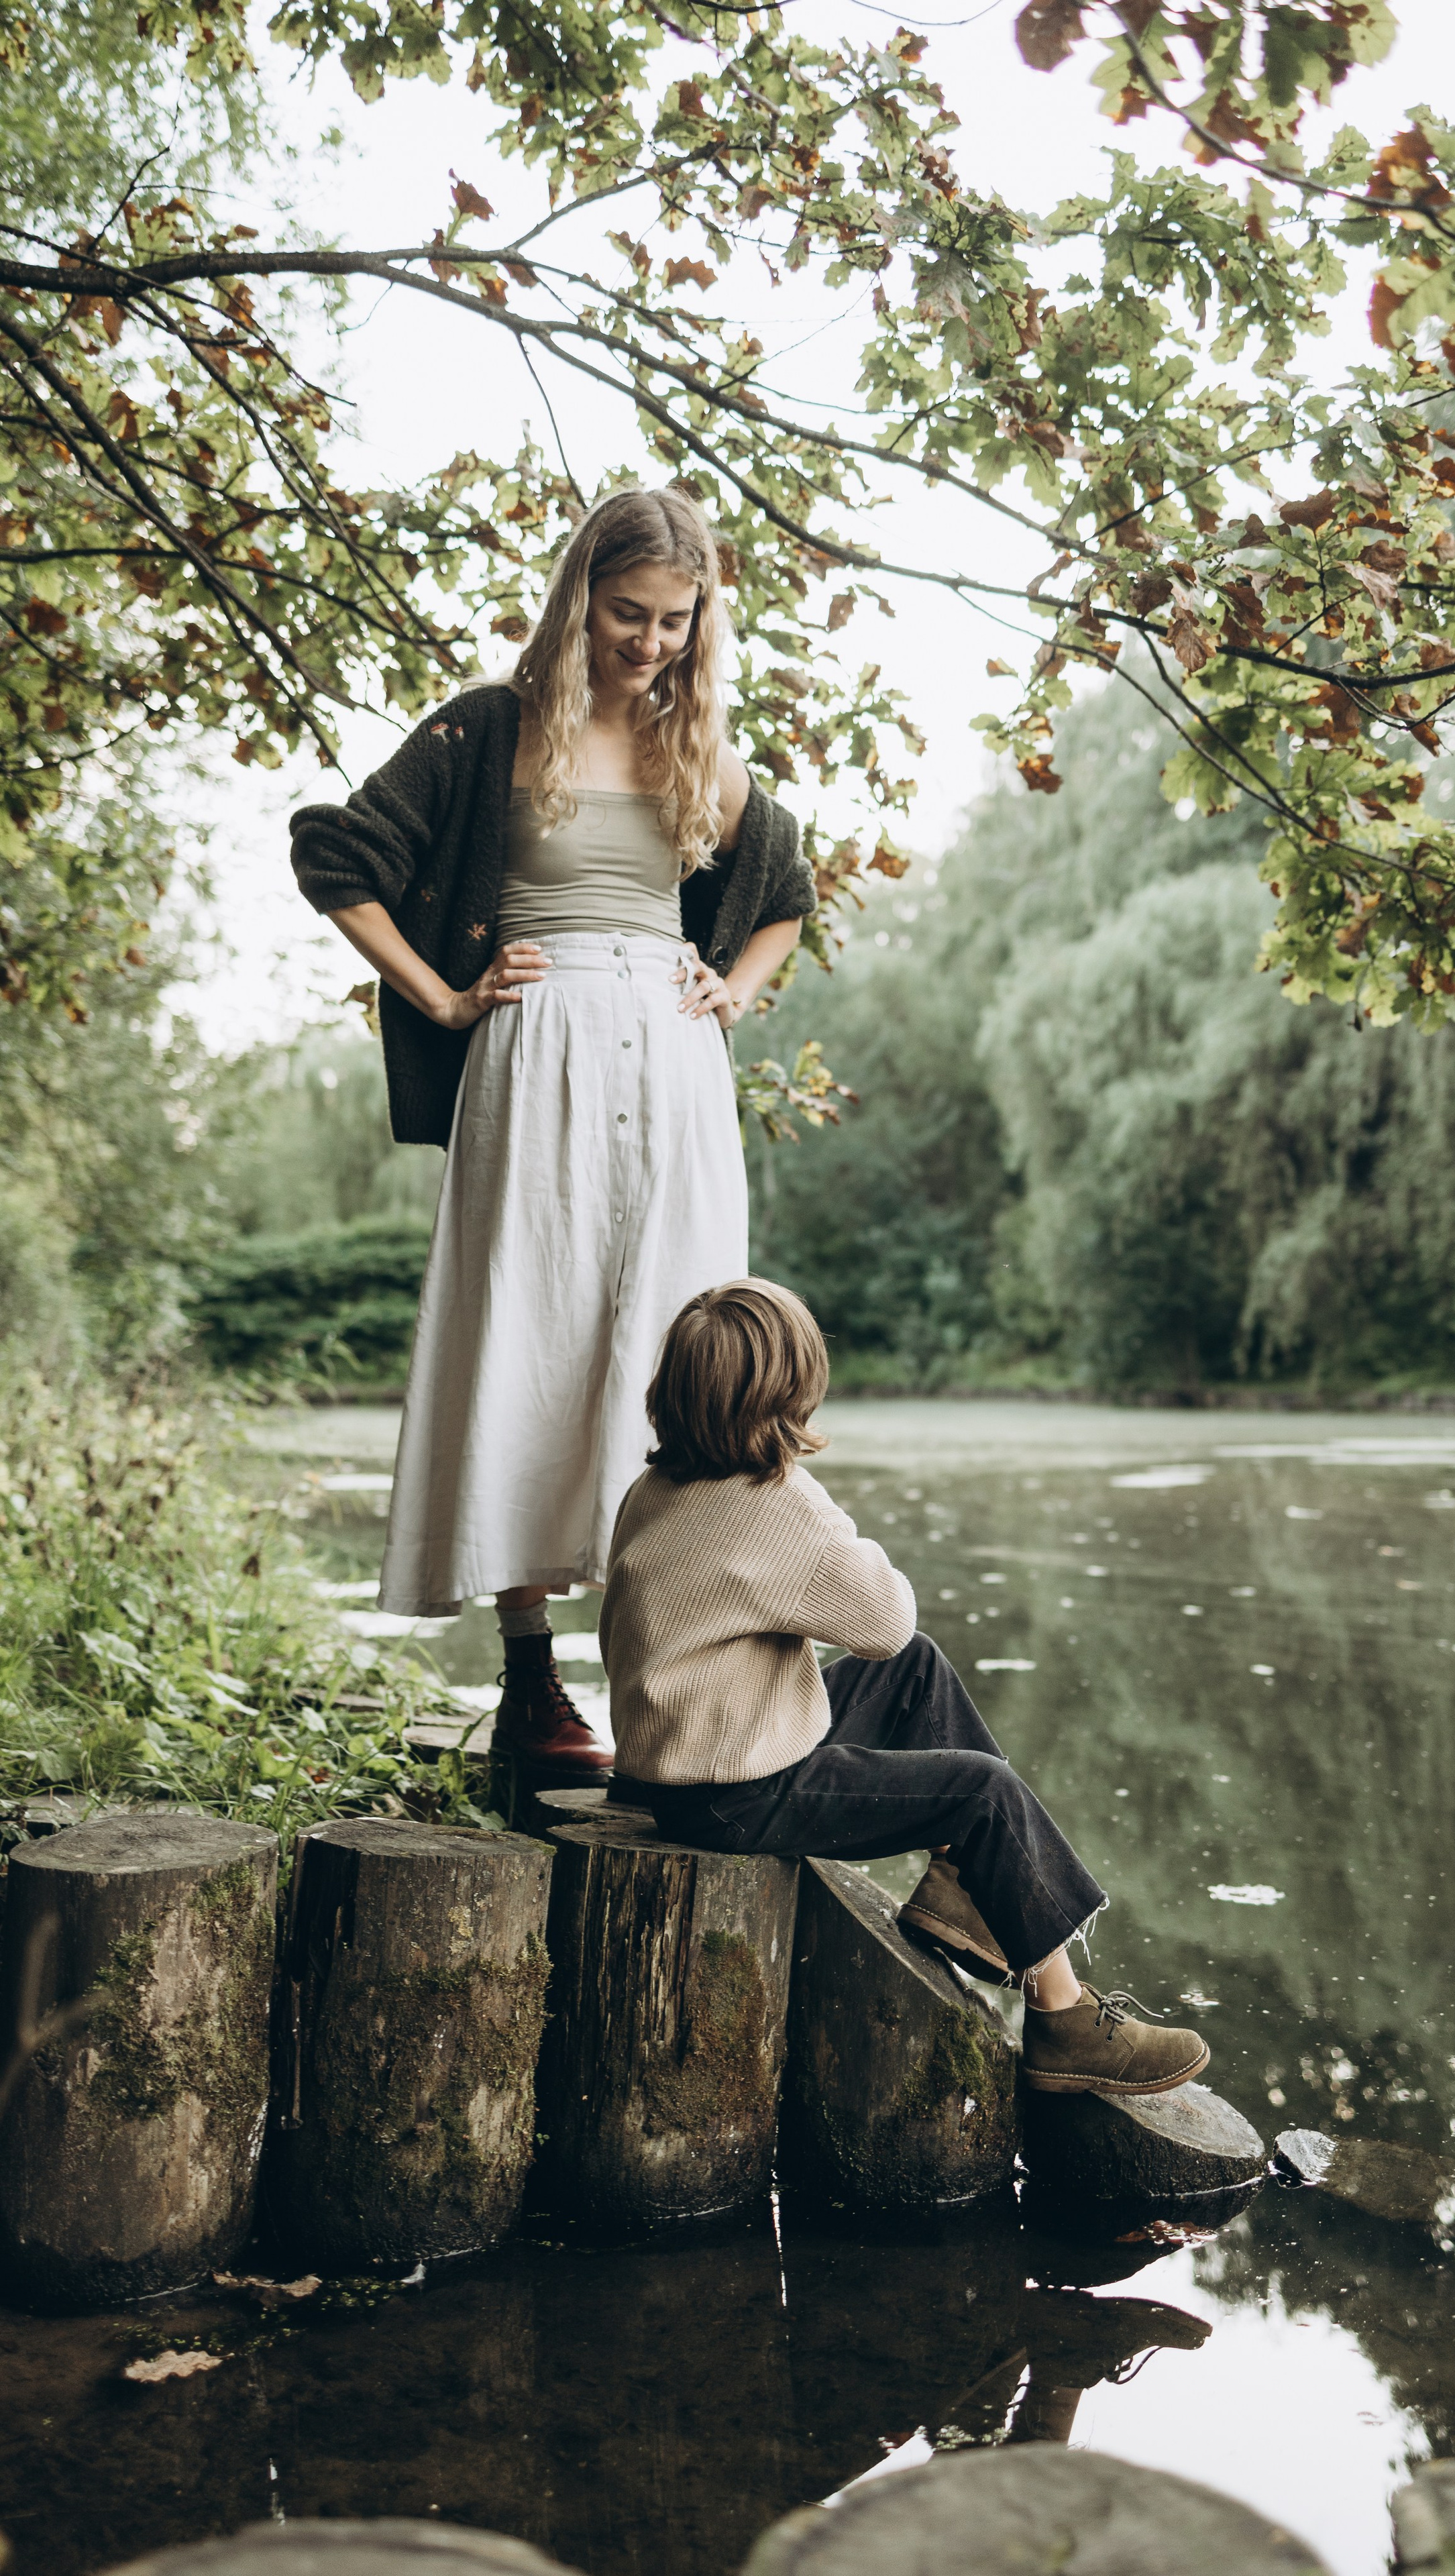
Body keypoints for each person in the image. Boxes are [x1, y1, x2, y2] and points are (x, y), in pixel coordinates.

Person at [289, 488, 814, 1779]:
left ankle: (677, 1681)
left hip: (677, 1071)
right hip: (537, 1056)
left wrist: (731, 993)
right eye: (629, 614)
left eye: (675, 622)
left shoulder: (700, 744)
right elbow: (334, 854)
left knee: (688, 1352)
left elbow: (787, 895)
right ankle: (533, 1685)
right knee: (526, 1334)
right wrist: (443, 996)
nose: (649, 642)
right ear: (581, 594)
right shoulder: (489, 729)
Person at [599, 1277, 1213, 2096]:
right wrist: (808, 1496)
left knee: (915, 1667)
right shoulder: (775, 1508)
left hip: (675, 1757)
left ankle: (963, 1893)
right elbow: (883, 1613)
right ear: (789, 1396)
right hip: (733, 1791)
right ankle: (1063, 2019)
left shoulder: (656, 1488)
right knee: (983, 1791)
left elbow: (889, 1651)